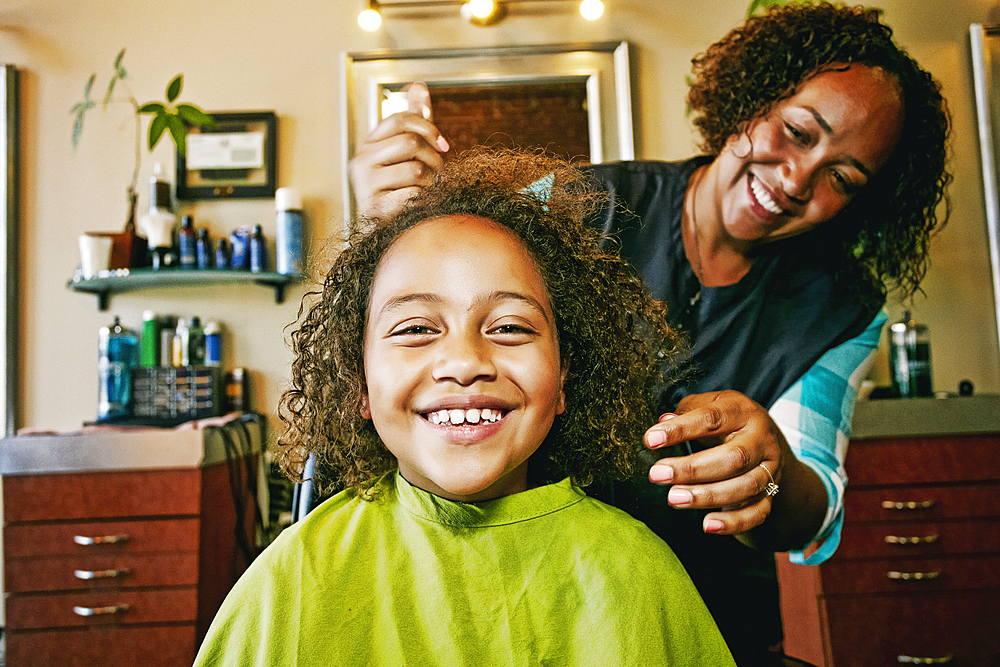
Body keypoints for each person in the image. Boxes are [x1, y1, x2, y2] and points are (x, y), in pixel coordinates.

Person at [347, 3, 952, 664]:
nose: (796, 179)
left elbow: (812, 513)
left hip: (709, 625)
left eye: (841, 178)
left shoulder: (842, 309)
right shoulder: (580, 205)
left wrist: (770, 471)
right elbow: (442, 297)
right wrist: (396, 220)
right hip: (532, 610)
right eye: (798, 131)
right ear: (752, 99)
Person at [194, 148, 736, 666]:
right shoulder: (290, 580)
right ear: (358, 381)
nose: (464, 361)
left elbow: (796, 507)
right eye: (416, 329)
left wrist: (776, 487)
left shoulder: (641, 573)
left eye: (508, 327)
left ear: (565, 375)